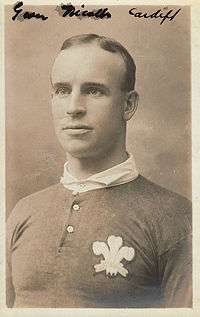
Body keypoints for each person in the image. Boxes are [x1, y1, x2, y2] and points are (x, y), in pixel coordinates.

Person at [6, 33, 192, 308]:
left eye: (94, 91)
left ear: (128, 105)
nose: (73, 108)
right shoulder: (23, 212)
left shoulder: (177, 218)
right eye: (62, 90)